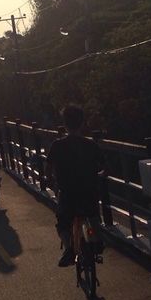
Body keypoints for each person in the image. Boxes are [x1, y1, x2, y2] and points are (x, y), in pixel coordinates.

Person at [46, 105, 105, 267]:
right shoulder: (91, 144)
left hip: (67, 193)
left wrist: (50, 180)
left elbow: (49, 166)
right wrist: (98, 175)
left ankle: (69, 249)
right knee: (93, 216)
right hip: (89, 192)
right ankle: (97, 240)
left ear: (64, 124)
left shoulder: (57, 145)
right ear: (82, 123)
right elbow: (104, 165)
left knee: (63, 223)